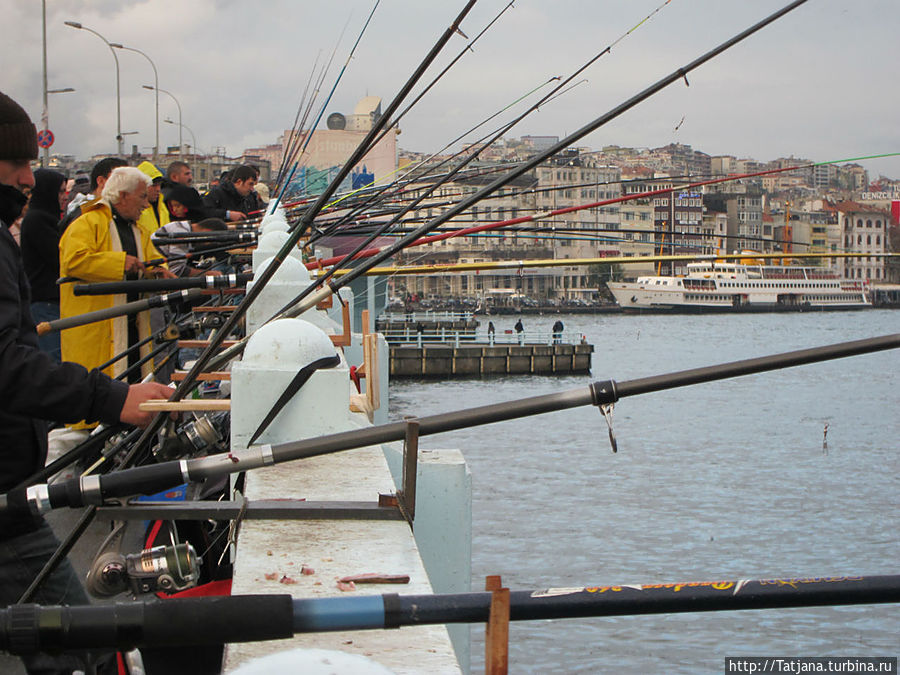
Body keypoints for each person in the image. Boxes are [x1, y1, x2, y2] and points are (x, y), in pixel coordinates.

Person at [0, 89, 172, 675]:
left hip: (14, 477)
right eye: (17, 163)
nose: (29, 178)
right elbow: (7, 360)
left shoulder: (135, 220)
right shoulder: (83, 222)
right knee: (85, 645)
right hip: (7, 498)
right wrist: (112, 399)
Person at [59, 167, 174, 398]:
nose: (146, 204)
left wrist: (160, 272)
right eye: (142, 197)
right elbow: (74, 260)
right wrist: (119, 263)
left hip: (133, 331)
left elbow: (152, 260)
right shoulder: (88, 222)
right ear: (123, 195)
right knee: (98, 398)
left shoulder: (137, 230)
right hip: (98, 332)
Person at [19, 168, 66, 359]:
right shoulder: (38, 220)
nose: (65, 196)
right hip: (45, 303)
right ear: (48, 192)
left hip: (50, 302)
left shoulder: (45, 218)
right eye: (60, 191)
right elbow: (60, 257)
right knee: (54, 359)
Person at [59, 156, 127, 235]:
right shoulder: (84, 214)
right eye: (119, 179)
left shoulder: (120, 212)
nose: (126, 186)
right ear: (101, 181)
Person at [152, 217, 228, 277]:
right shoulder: (182, 234)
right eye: (210, 241)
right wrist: (208, 274)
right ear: (207, 231)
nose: (207, 244)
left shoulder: (184, 228)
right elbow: (177, 270)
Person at [136, 160, 170, 233]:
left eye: (160, 185)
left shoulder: (162, 207)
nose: (158, 189)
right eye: (154, 185)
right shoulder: (135, 209)